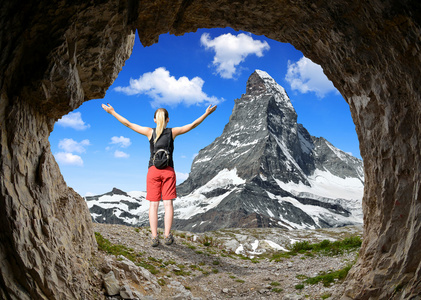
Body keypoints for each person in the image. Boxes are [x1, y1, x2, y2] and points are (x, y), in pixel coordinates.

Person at [101, 103, 217, 247]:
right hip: (168, 170)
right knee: (168, 204)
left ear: (155, 120)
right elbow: (193, 125)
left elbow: (128, 124)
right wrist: (206, 113)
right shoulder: (172, 132)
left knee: (153, 205)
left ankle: (154, 237)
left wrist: (112, 112)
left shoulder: (150, 132)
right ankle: (167, 235)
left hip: (153, 171)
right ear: (168, 119)